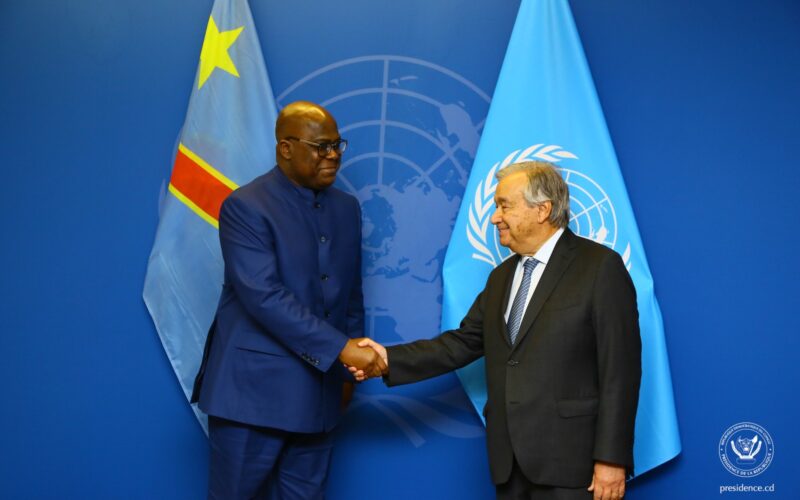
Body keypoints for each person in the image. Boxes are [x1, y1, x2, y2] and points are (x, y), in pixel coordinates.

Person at [354, 161, 641, 500]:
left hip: (573, 466)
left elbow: (620, 371)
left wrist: (611, 458)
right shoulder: (501, 277)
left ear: (542, 210)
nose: (494, 218)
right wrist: (388, 359)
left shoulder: (599, 267)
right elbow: (461, 343)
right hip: (509, 464)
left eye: (504, 206)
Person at [191, 101, 385, 499]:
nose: (333, 156)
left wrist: (347, 372)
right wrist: (342, 350)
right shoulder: (246, 206)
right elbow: (264, 296)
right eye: (321, 147)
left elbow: (350, 293)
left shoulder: (347, 208)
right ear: (285, 148)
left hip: (321, 397)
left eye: (337, 145)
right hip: (251, 398)